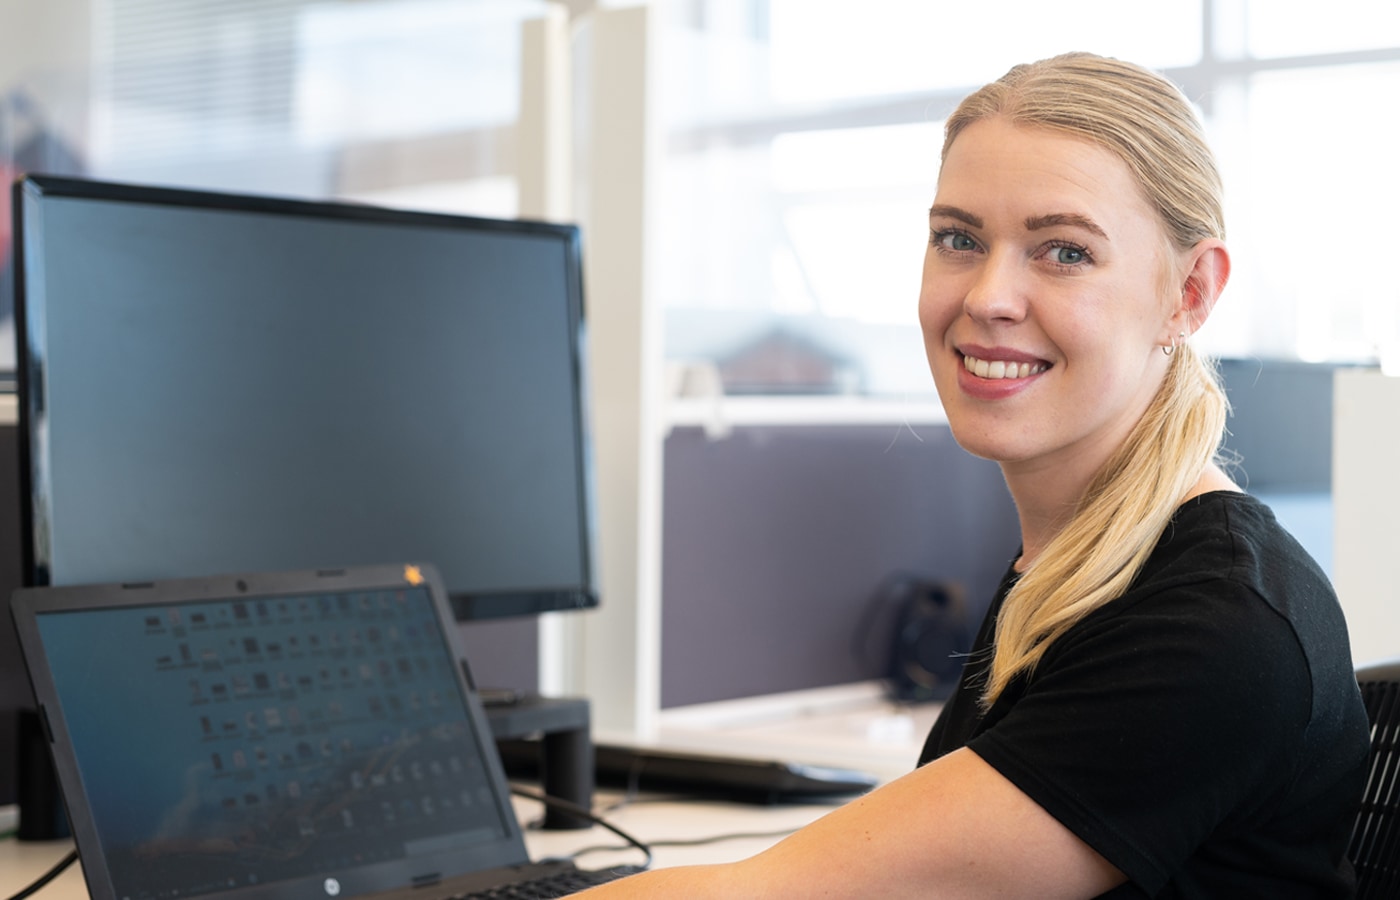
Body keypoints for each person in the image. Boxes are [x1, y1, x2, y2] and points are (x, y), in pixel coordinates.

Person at [579, 52, 1370, 898]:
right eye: (958, 239)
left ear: (1189, 292)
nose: (989, 295)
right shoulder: (1080, 563)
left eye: (1063, 251)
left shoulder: (1214, 625)